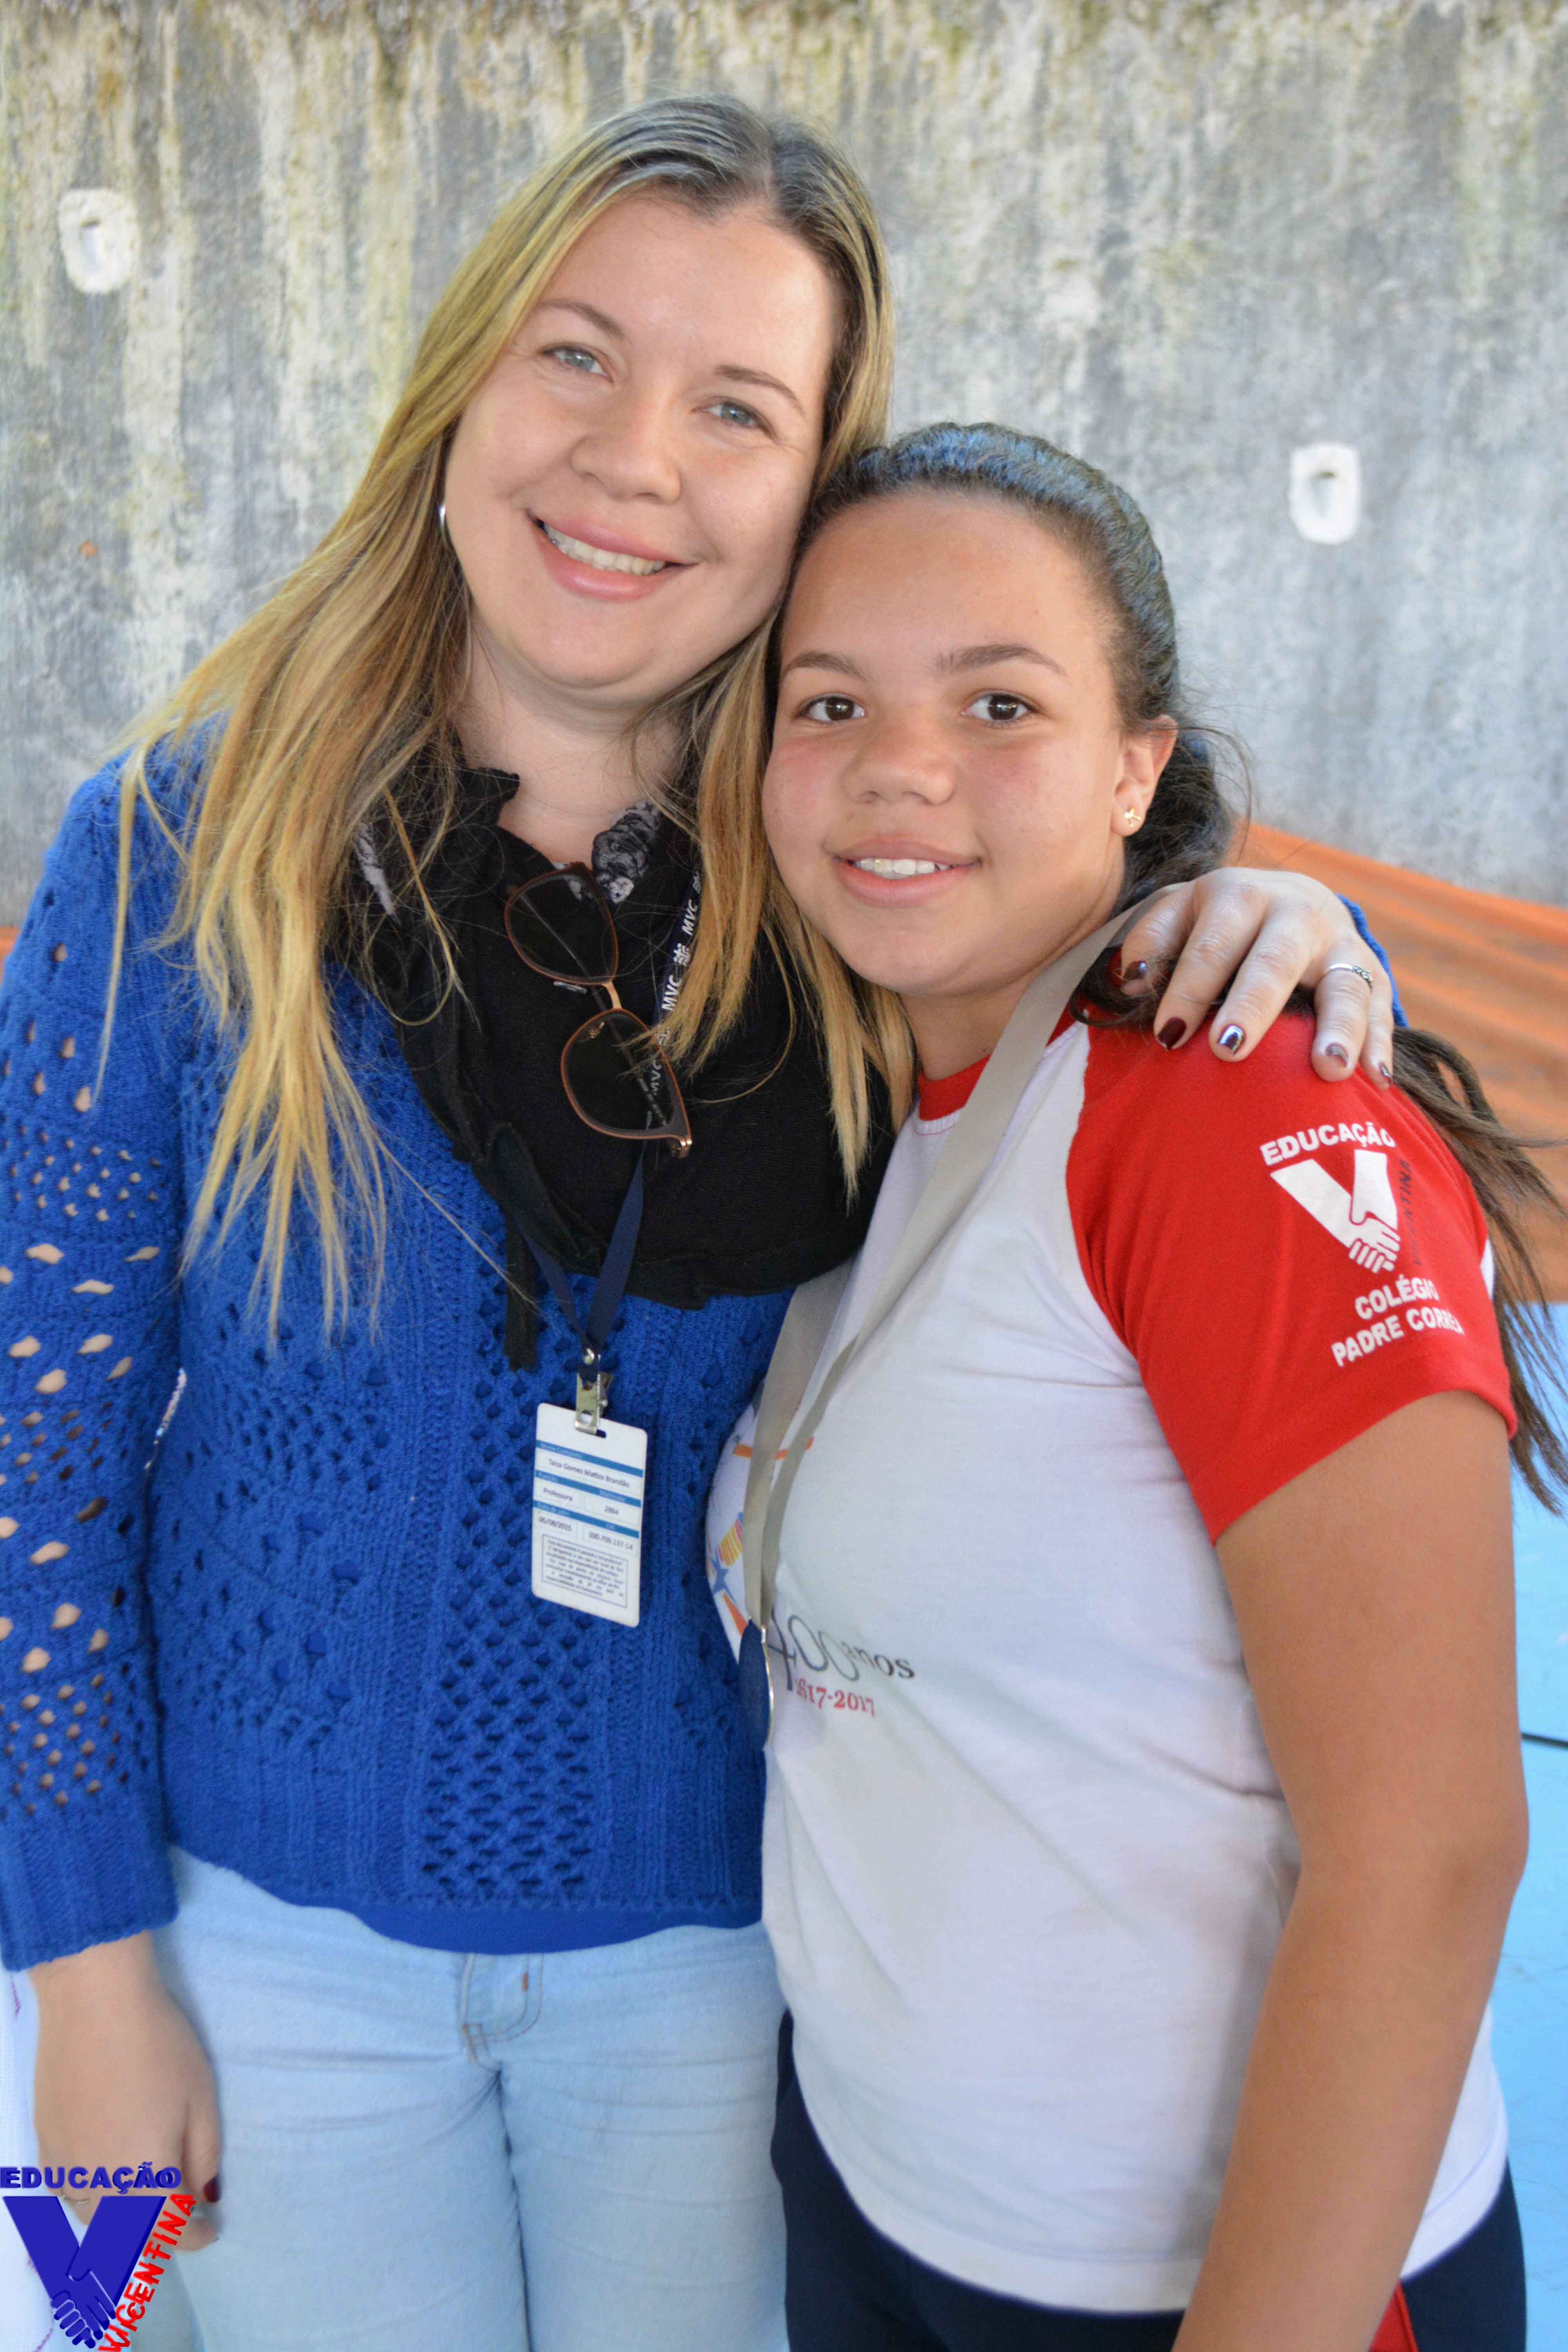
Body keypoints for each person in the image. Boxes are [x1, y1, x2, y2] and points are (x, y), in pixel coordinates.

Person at [1, 100, 1397, 2352]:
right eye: (574, 354)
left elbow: (1097, 922)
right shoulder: (183, 851)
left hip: (725, 1959)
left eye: (736, 407)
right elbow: (25, 1466)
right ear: (459, 391)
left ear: (807, 493)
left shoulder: (854, 889)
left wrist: (1289, 920)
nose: (633, 458)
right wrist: (79, 1976)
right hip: (249, 1957)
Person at [710, 421, 1566, 2352]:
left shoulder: (1228, 1111)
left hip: (1199, 2289)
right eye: (829, 701)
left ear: (1136, 763)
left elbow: (1430, 1851)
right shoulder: (862, 1104)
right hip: (883, 2215)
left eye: (998, 702)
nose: (899, 766)